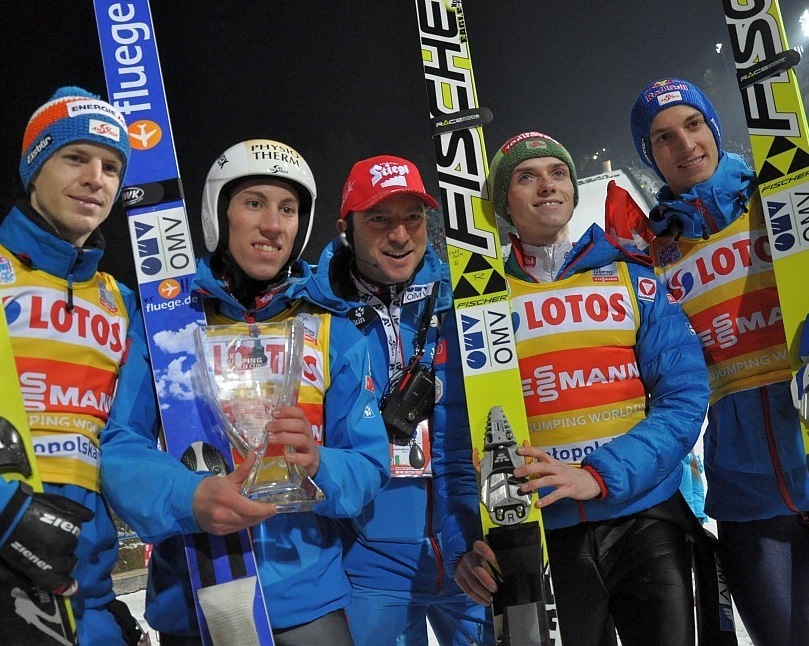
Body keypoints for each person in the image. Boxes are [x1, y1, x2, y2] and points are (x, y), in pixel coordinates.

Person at [103, 139, 390, 645]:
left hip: (306, 601)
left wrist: (318, 462)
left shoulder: (332, 329)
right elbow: (120, 446)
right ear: (219, 215)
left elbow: (368, 464)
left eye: (288, 209)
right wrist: (187, 497)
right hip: (195, 595)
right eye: (254, 203)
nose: (273, 225)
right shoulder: (164, 328)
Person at [453, 131, 710, 646]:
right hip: (541, 533)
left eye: (558, 173)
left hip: (644, 517)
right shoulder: (478, 302)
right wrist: (467, 538)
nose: (547, 185)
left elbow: (683, 396)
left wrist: (597, 475)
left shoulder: (632, 278)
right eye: (527, 177)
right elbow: (456, 436)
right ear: (504, 203)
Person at [628, 78, 809, 645]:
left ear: (713, 127)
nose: (685, 145)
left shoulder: (779, 197)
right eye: (663, 137)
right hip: (745, 489)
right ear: (649, 155)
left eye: (693, 125)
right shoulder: (656, 254)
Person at [308, 155, 492, 645]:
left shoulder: (466, 297)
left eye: (413, 217)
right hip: (368, 564)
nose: (400, 235)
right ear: (346, 229)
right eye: (379, 219)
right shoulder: (315, 310)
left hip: (470, 547)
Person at [0, 86, 147, 643]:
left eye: (111, 167)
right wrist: (6, 514)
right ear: (34, 168)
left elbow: (128, 438)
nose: (95, 179)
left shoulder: (121, 302)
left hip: (85, 588)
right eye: (75, 157)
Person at [679, 451, 707, 525]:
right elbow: (698, 492)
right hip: (696, 512)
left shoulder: (682, 463)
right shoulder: (691, 463)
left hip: (684, 513)